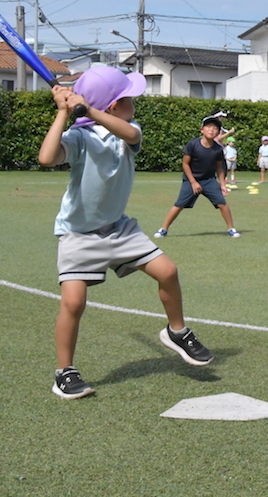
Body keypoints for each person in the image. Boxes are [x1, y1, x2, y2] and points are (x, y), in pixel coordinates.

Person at [38, 66, 213, 400]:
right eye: (128, 98)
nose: (134, 102)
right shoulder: (79, 138)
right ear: (114, 105)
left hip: (119, 228)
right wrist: (62, 113)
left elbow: (130, 136)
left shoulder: (128, 130)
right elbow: (47, 157)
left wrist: (87, 109)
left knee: (168, 271)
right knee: (73, 303)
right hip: (79, 235)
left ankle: (177, 331)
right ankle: (65, 372)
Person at [154, 115, 240, 240]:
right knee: (179, 204)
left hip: (209, 180)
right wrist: (193, 182)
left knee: (222, 203)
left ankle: (231, 229)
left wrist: (222, 184)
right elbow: (185, 164)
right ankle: (163, 229)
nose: (212, 130)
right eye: (209, 127)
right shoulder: (193, 144)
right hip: (191, 179)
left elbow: (220, 168)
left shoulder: (218, 149)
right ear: (202, 130)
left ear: (218, 132)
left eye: (215, 128)